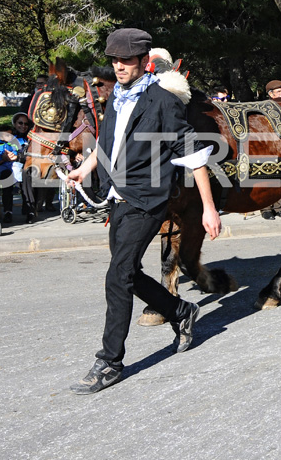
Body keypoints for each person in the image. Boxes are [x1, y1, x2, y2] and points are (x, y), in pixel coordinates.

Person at [65, 28, 221, 394]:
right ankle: (181, 311)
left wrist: (209, 209)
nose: (119, 66)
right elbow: (107, 145)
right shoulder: (115, 98)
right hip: (117, 196)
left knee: (117, 276)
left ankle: (109, 361)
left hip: (148, 200)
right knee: (129, 273)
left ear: (142, 61)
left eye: (127, 60)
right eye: (114, 60)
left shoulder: (163, 101)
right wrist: (84, 170)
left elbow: (194, 156)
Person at [261, 79, 281, 219]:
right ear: (271, 94)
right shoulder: (266, 107)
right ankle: (266, 209)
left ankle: (279, 208)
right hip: (268, 145)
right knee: (267, 177)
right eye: (278, 92)